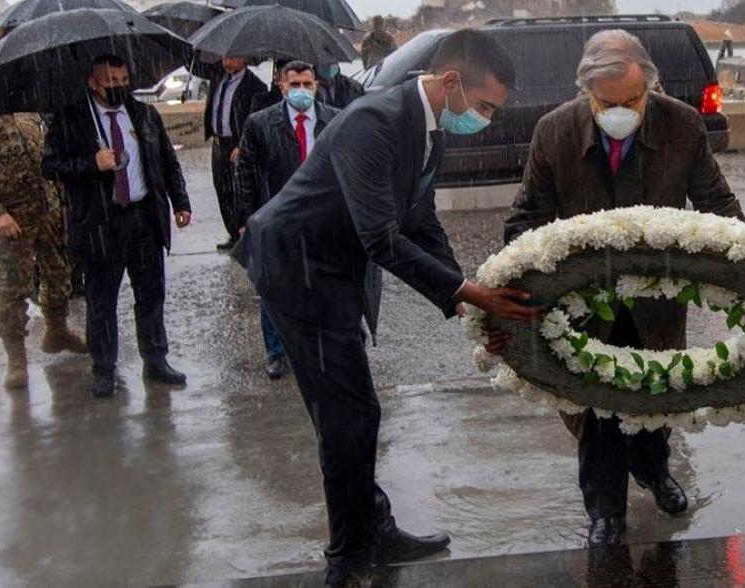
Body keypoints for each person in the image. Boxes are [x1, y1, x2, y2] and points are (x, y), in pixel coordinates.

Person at [231, 30, 539, 586]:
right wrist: (467, 293)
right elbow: (381, 238)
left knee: (356, 412)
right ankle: (348, 556)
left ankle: (373, 526)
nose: (487, 119)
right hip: (297, 269)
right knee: (345, 416)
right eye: (486, 105)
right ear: (451, 82)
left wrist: (471, 296)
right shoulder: (374, 121)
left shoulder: (429, 131)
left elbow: (421, 224)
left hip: (331, 266)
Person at [501, 29, 744, 547]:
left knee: (656, 397)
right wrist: (535, 278)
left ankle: (655, 472)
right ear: (586, 92)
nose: (619, 112)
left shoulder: (681, 126)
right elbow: (525, 219)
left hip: (657, 303)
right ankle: (605, 509)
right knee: (597, 413)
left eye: (631, 101)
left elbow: (718, 207)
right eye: (605, 102)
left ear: (649, 86)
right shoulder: (555, 133)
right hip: (587, 311)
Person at [42, 55, 193, 398]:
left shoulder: (143, 114)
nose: (118, 86)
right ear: (92, 82)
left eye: (123, 78)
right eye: (110, 80)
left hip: (143, 218)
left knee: (151, 295)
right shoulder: (72, 119)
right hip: (100, 222)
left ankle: (156, 359)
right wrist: (90, 163)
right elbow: (50, 166)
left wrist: (181, 203)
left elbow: (167, 162)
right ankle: (104, 368)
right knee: (101, 301)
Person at [0, 106, 88, 387]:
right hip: (11, 219)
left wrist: (62, 201)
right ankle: (16, 359)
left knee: (59, 272)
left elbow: (47, 161)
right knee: (13, 287)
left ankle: (57, 329)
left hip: (47, 209)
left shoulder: (29, 114)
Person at [234, 61, 340, 380]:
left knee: (325, 283)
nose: (302, 91)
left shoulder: (333, 120)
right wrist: (246, 219)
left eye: (308, 84)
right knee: (275, 287)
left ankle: (325, 344)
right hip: (277, 217)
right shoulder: (261, 123)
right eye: (295, 85)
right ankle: (277, 352)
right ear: (282, 86)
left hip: (322, 218)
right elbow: (246, 173)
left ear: (316, 85)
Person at [204, 56, 264, 251]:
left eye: (232, 58)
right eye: (225, 57)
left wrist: (242, 144)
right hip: (219, 142)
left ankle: (244, 233)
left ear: (244, 58)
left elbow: (254, 118)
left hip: (237, 144)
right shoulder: (218, 77)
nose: (227, 62)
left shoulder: (255, 86)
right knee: (222, 189)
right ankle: (232, 233)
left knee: (239, 191)